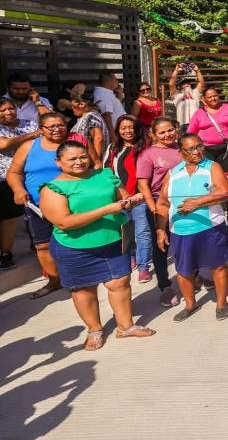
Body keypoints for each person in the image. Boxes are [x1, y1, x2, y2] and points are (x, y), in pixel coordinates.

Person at [38, 141, 155, 350]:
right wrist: (106, 210)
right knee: (84, 289)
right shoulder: (53, 189)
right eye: (72, 159)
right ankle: (94, 329)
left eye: (83, 157)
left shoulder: (105, 175)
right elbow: (64, 222)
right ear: (58, 162)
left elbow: (122, 196)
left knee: (120, 283)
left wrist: (130, 201)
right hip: (75, 247)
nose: (79, 162)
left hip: (114, 240)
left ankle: (125, 327)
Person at [155, 134, 228, 322]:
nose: (197, 151)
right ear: (181, 152)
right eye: (191, 149)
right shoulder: (173, 173)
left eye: (199, 146)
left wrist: (197, 203)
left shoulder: (212, 167)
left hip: (210, 227)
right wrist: (160, 230)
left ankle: (221, 303)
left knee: (218, 266)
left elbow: (225, 191)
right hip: (180, 231)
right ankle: (190, 304)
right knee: (183, 270)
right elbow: (163, 203)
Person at [7, 111, 68, 297]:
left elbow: (94, 165)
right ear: (41, 129)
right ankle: (54, 280)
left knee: (73, 241)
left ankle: (78, 277)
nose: (57, 129)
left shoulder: (73, 143)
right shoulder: (29, 146)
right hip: (36, 206)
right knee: (42, 245)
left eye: (61, 125)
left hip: (71, 203)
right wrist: (18, 189)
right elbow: (14, 172)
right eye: (52, 126)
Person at [136, 117, 185, 307]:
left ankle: (193, 276)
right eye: (162, 132)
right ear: (153, 134)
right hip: (159, 204)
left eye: (170, 130)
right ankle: (165, 286)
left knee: (186, 242)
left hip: (184, 203)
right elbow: (143, 184)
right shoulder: (148, 154)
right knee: (161, 246)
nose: (167, 135)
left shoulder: (183, 148)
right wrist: (153, 207)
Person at [103, 115, 152, 283]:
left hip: (141, 198)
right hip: (121, 199)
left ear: (137, 128)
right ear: (118, 130)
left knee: (143, 232)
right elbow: (107, 173)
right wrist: (121, 195)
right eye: (123, 128)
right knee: (127, 231)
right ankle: (131, 257)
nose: (127, 131)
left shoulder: (146, 147)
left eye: (131, 127)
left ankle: (144, 267)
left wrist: (141, 194)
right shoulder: (112, 148)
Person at [0, 98, 39, 269]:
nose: (8, 112)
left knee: (35, 212)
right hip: (6, 178)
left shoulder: (29, 123)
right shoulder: (31, 130)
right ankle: (6, 253)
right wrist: (32, 135)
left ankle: (37, 243)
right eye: (3, 110)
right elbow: (4, 144)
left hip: (31, 175)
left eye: (11, 108)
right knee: (10, 217)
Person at [188, 87, 228, 171]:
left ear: (218, 96)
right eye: (209, 97)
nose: (213, 98)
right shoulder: (199, 113)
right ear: (204, 99)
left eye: (215, 96)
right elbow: (191, 132)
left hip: (227, 148)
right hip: (206, 150)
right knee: (210, 173)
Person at [68, 95, 108, 168]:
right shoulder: (87, 117)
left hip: (92, 163)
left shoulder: (90, 116)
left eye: (73, 106)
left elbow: (98, 138)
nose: (72, 108)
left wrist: (96, 161)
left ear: (82, 105)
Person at [169, 63, 205, 130]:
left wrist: (197, 71)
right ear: (179, 87)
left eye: (188, 82)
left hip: (196, 122)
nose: (186, 84)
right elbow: (171, 84)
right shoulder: (177, 95)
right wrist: (176, 71)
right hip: (183, 124)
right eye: (183, 83)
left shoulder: (195, 92)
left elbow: (202, 83)